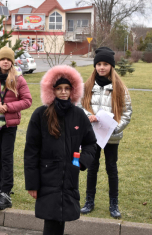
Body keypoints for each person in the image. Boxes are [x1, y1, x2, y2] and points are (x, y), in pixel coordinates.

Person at [24, 65, 97, 235]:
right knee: (51, 221)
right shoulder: (40, 115)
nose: (63, 92)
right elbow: (31, 152)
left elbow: (91, 143)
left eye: (67, 88)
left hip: (69, 178)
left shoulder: (79, 115)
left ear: (73, 90)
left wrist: (77, 162)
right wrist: (32, 184)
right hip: (47, 177)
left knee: (61, 219)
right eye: (59, 89)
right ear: (52, 90)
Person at [79, 47, 132, 218]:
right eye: (99, 64)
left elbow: (127, 113)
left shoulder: (120, 88)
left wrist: (114, 127)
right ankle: (89, 201)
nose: (102, 67)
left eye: (105, 64)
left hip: (111, 137)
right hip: (92, 136)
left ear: (111, 66)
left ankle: (113, 203)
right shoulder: (87, 86)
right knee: (92, 167)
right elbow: (79, 107)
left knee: (111, 168)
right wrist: (89, 117)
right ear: (95, 66)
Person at [0, 46, 32, 210]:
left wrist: (8, 107)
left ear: (12, 62)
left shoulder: (18, 79)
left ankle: (6, 191)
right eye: (3, 59)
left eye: (8, 59)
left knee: (6, 157)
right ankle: (2, 187)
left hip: (9, 125)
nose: (5, 62)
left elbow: (27, 100)